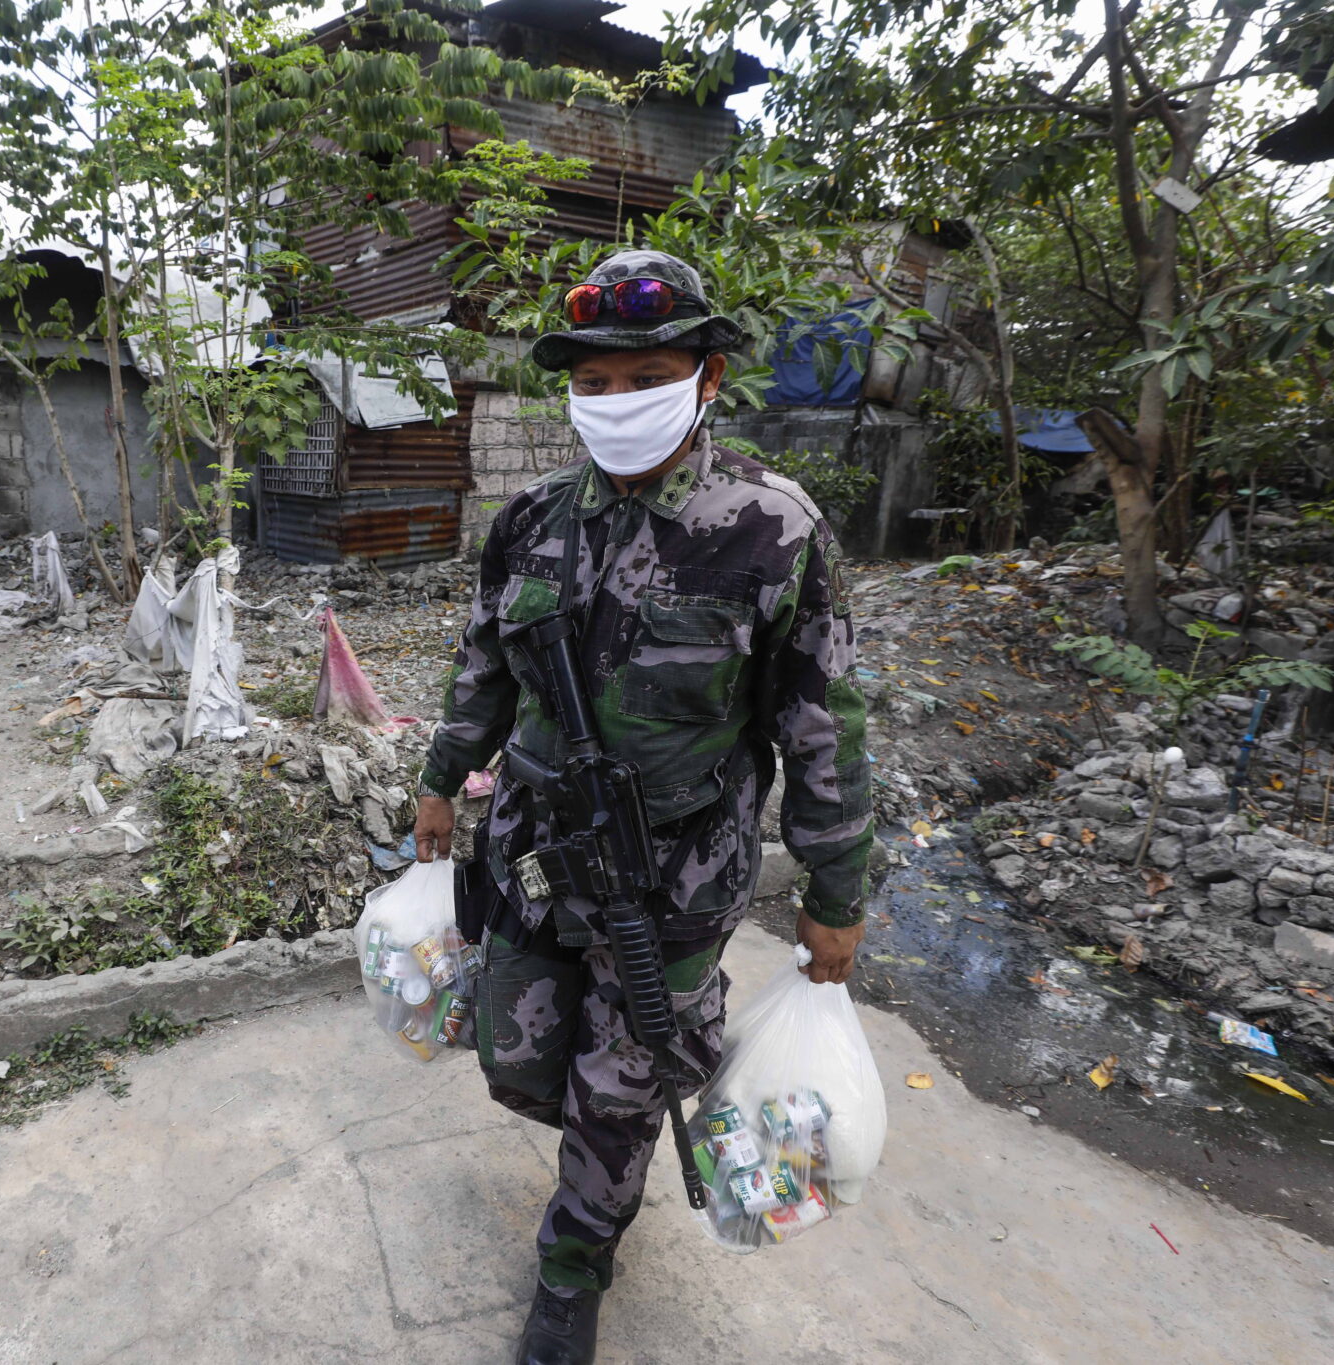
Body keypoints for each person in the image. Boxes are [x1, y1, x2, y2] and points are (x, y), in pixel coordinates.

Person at [411, 250, 874, 1365]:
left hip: (670, 875)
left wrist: (834, 892)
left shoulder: (771, 527)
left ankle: (573, 1264)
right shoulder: (527, 520)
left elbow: (820, 723)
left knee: (621, 1081)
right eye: (595, 384)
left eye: (646, 375)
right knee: (521, 1052)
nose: (614, 402)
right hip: (529, 847)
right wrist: (440, 782)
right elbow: (482, 662)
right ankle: (591, 1165)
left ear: (707, 378)